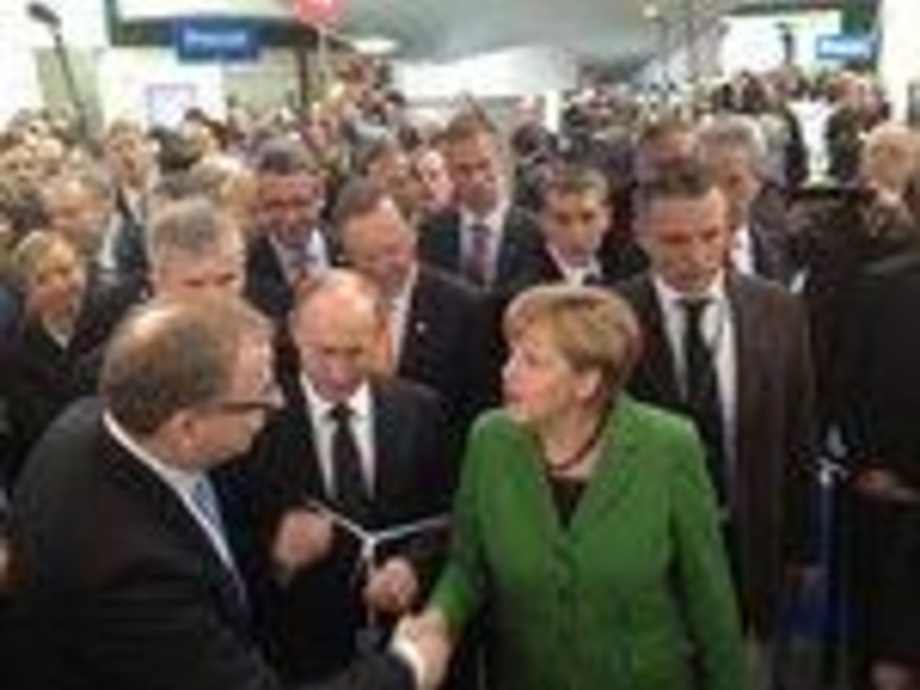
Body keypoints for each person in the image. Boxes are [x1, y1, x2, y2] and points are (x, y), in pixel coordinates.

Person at [6, 296, 447, 690]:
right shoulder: (133, 571)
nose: (278, 404)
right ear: (186, 427)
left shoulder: (90, 419)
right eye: (260, 397)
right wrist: (407, 667)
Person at [406, 284, 750, 690]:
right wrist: (437, 619)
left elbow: (709, 597)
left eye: (532, 361)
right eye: (511, 354)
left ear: (587, 381)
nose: (508, 372)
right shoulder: (490, 439)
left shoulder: (669, 445)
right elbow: (467, 565)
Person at [617, 161, 817, 683]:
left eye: (712, 235)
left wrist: (802, 548)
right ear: (641, 235)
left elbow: (798, 434)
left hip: (751, 552)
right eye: (676, 241)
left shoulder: (779, 310)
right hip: (642, 562)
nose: (698, 255)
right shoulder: (609, 318)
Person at [231, 270, 457, 683]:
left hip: (397, 646)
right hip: (292, 659)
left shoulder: (421, 409)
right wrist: (278, 562)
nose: (339, 373)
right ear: (294, 332)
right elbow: (221, 553)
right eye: (325, 352)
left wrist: (413, 566)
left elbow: (447, 516)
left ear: (380, 334)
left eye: (355, 353)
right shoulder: (251, 422)